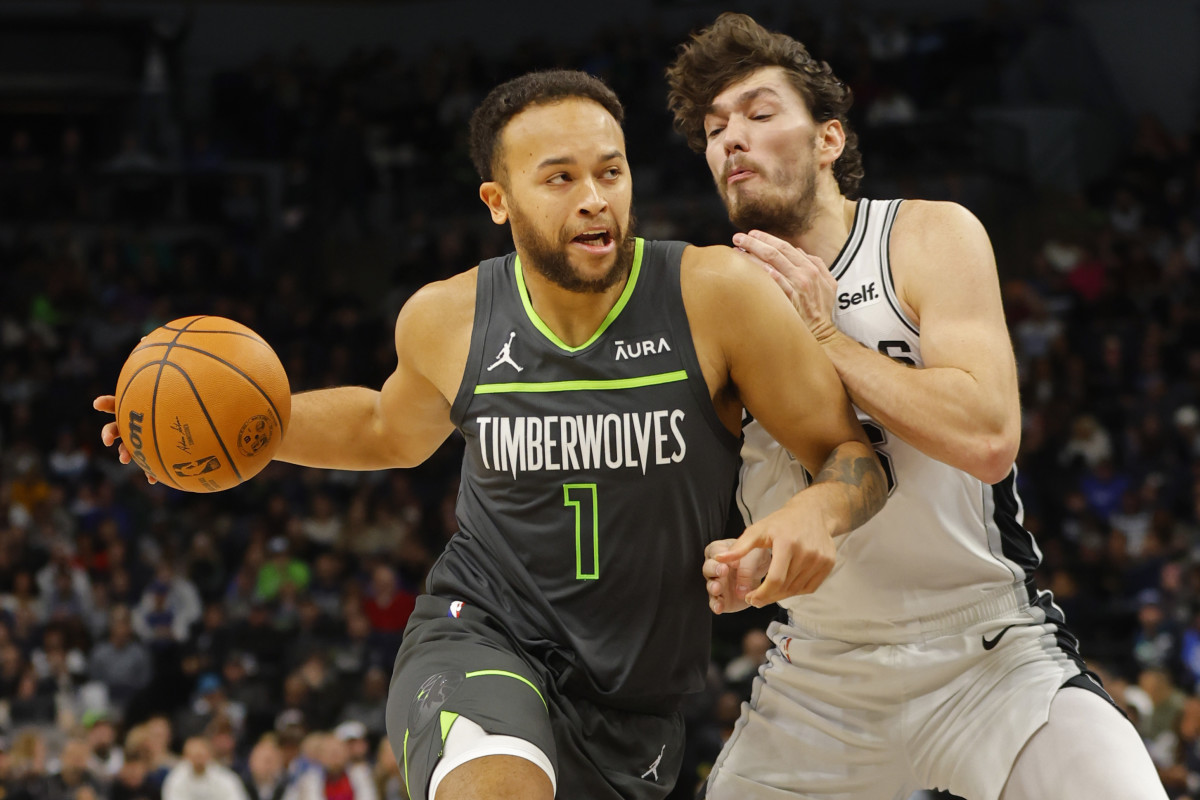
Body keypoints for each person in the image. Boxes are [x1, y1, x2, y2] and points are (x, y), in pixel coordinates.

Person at [94, 69, 886, 800]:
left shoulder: (716, 296)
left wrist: (815, 514)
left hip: (635, 701)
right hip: (482, 632)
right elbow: (383, 429)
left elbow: (850, 457)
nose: (594, 199)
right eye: (560, 177)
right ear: (497, 200)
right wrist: (229, 429)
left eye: (611, 171)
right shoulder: (449, 317)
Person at [664, 12, 1167, 800]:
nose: (731, 138)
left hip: (985, 650)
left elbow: (988, 436)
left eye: (760, 114)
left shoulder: (926, 236)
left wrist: (825, 335)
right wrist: (735, 561)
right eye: (714, 127)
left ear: (829, 140)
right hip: (816, 673)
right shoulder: (708, 296)